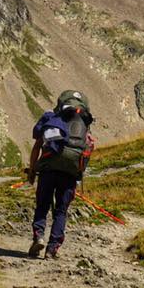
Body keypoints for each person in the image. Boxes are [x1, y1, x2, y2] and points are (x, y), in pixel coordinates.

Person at [26, 89, 95, 258]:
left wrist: (33, 170)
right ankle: (53, 248)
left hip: (48, 169)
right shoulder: (84, 125)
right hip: (70, 173)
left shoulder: (52, 119)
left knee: (42, 205)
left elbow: (37, 147)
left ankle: (39, 236)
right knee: (61, 211)